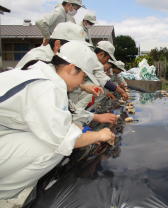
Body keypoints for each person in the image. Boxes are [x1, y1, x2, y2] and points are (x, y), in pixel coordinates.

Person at [0, 41, 115, 199]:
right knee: (54, 148)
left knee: (60, 136)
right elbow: (63, 139)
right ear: (71, 68)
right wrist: (99, 135)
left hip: (6, 133)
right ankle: (6, 195)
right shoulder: (46, 86)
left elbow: (62, 121)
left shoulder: (42, 74)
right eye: (82, 78)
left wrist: (85, 133)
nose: (81, 84)